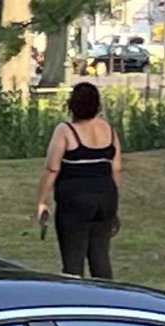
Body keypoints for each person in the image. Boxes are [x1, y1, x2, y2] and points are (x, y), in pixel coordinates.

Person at [35, 81, 121, 282]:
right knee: (100, 258)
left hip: (75, 201)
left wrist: (41, 201)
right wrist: (113, 206)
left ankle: (74, 300)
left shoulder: (65, 131)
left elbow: (52, 168)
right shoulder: (109, 130)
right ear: (97, 105)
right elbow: (116, 169)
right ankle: (108, 301)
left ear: (72, 104)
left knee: (73, 261)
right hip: (106, 198)